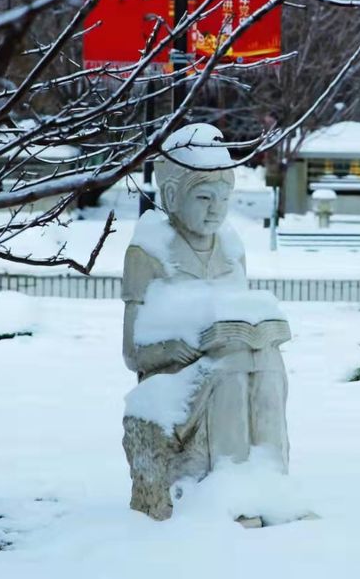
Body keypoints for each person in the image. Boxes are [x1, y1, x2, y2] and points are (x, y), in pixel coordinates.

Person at [121, 124, 290, 517]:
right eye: (203, 197)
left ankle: (273, 485)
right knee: (230, 365)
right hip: (174, 377)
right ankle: (230, 489)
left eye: (224, 198)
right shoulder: (148, 251)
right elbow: (132, 353)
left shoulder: (230, 247)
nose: (216, 209)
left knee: (267, 361)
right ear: (172, 196)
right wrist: (172, 347)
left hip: (229, 358)